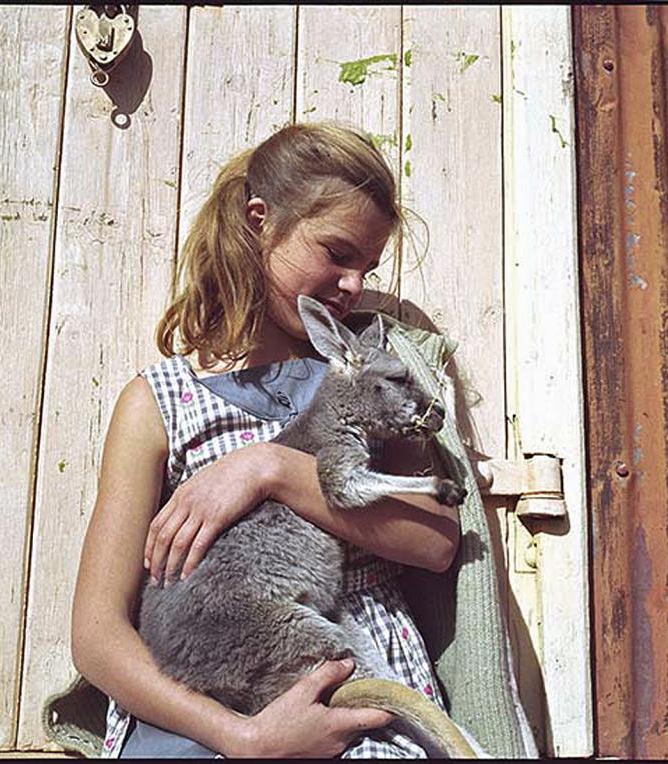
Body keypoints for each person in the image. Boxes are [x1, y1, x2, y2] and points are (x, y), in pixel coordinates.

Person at [71, 121, 462, 758]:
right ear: (261, 220)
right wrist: (244, 738)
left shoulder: (371, 373)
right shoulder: (158, 404)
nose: (354, 286)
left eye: (367, 266)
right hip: (210, 695)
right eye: (337, 254)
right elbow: (97, 634)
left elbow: (434, 541)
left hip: (351, 673)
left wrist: (268, 469)